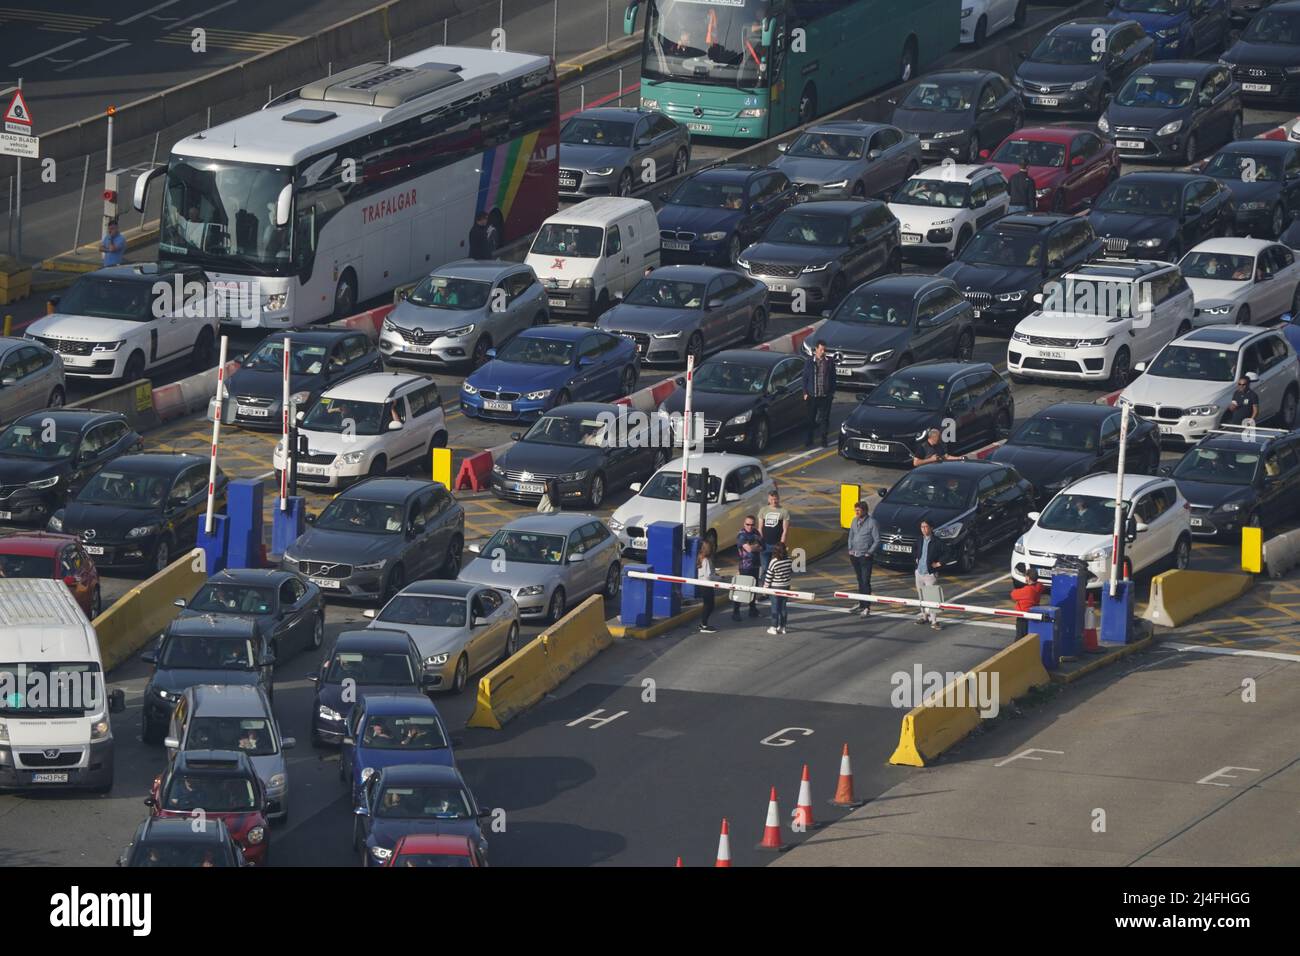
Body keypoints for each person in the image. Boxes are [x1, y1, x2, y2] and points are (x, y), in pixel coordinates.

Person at [847, 501, 880, 616]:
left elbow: (877, 540)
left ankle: (867, 607)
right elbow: (850, 535)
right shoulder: (854, 521)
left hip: (865, 556)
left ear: (865, 511)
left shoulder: (872, 522)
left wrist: (869, 552)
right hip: (854, 555)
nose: (856, 512)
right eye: (855, 510)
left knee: (866, 581)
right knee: (860, 580)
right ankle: (861, 603)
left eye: (858, 510)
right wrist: (850, 549)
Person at [802, 342, 837, 447]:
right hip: (812, 396)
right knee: (810, 419)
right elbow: (805, 378)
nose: (823, 352)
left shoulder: (829, 362)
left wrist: (831, 393)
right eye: (821, 349)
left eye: (824, 350)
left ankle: (824, 439)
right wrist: (805, 392)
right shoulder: (809, 362)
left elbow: (833, 379)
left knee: (824, 419)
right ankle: (809, 439)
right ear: (816, 349)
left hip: (825, 396)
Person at [756, 489, 789, 592]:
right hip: (765, 545)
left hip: (776, 546)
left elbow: (785, 530)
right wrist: (760, 542)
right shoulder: (763, 510)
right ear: (768, 499)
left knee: (777, 568)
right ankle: (764, 591)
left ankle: (775, 588)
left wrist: (782, 544)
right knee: (765, 569)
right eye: (772, 499)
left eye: (776, 499)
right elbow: (760, 528)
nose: (774, 501)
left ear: (778, 499)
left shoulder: (784, 512)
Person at [914, 519, 943, 630]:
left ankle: (934, 621)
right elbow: (915, 549)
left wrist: (939, 563)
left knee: (931, 598)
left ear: (931, 528)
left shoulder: (937, 541)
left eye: (926, 527)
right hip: (919, 572)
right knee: (921, 596)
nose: (924, 529)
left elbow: (948, 553)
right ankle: (924, 616)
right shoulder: (919, 540)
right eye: (922, 527)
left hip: (930, 574)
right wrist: (916, 558)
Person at [733, 515, 763, 621]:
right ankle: (736, 611)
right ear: (744, 524)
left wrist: (753, 547)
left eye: (752, 524)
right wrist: (755, 546)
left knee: (753, 588)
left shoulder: (756, 533)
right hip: (745, 566)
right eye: (748, 524)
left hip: (755, 564)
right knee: (742, 588)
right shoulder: (742, 535)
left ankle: (752, 609)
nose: (750, 526)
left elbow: (761, 546)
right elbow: (749, 549)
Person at [763, 542, 793, 635]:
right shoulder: (789, 560)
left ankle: (774, 627)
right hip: (786, 586)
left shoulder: (774, 561)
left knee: (775, 608)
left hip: (776, 587)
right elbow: (790, 571)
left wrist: (765, 589)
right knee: (783, 608)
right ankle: (783, 627)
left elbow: (769, 576)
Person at [1010, 567, 1045, 640]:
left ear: (1028, 578)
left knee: (1020, 638)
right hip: (1033, 615)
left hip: (1023, 618)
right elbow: (1040, 585)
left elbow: (1013, 594)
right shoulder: (1039, 586)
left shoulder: (1027, 591)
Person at [696, 540, 718, 633]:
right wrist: (719, 578)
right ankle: (704, 625)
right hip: (707, 585)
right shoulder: (706, 560)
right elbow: (709, 575)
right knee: (709, 605)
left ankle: (704, 623)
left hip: (703, 584)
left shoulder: (701, 558)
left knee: (707, 604)